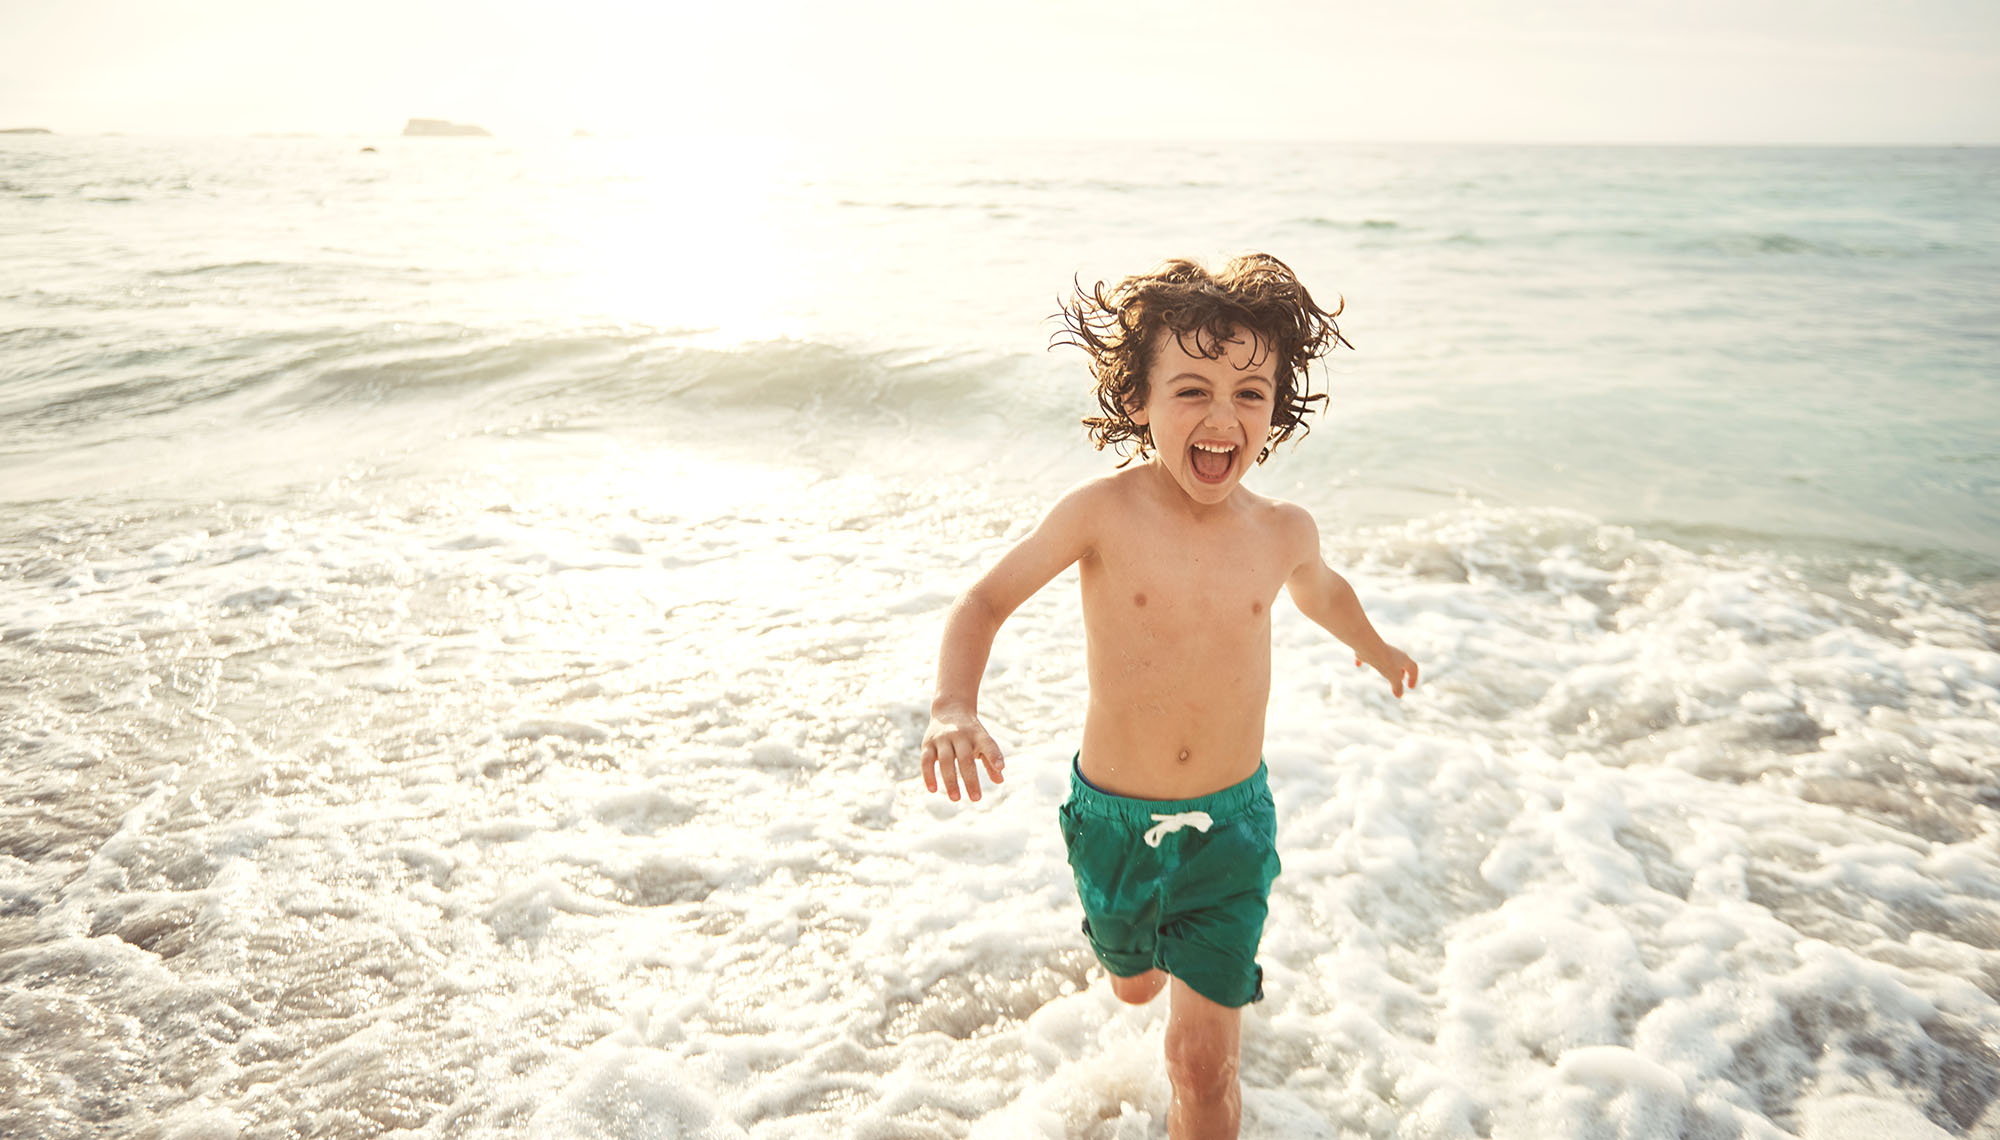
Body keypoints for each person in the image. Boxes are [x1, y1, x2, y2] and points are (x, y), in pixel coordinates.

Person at [918, 253, 1418, 1139]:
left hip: (1232, 829)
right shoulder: (1101, 513)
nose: (1222, 417)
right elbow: (984, 601)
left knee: (1201, 1065)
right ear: (1137, 402)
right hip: (1112, 823)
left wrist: (1374, 647)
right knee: (1133, 979)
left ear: (1278, 409)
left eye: (1250, 394)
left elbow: (1325, 594)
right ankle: (1132, 960)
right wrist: (954, 705)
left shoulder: (1282, 531)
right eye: (1191, 391)